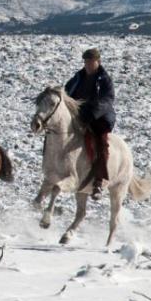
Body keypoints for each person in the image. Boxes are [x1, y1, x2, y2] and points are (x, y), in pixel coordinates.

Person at [64, 48, 116, 201]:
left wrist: (92, 113)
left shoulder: (104, 80)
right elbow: (66, 93)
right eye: (85, 61)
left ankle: (98, 181)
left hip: (98, 118)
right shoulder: (78, 77)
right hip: (78, 116)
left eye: (90, 61)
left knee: (101, 144)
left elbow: (107, 100)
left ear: (97, 62)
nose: (87, 64)